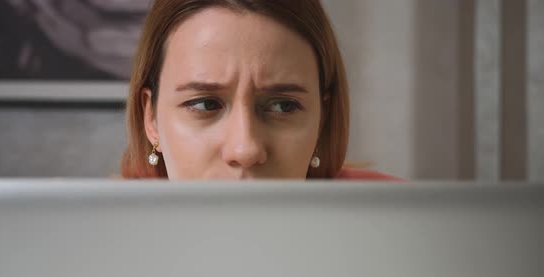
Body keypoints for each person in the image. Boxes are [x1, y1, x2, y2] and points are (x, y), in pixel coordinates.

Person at [121, 0, 399, 180]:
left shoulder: (405, 225)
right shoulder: (94, 241)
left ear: (322, 118)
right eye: (206, 104)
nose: (245, 149)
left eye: (283, 106)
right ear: (151, 118)